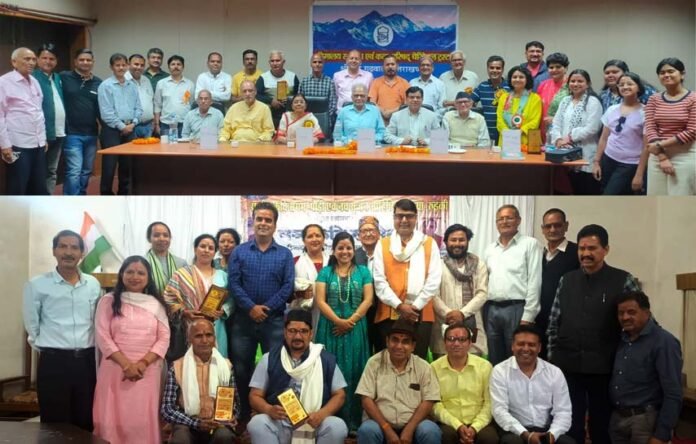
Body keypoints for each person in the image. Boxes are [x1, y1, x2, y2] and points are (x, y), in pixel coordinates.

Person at [547, 224, 641, 444]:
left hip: (605, 368)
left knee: (602, 426)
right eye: (582, 248)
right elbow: (553, 323)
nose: (586, 253)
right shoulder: (567, 280)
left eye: (592, 248)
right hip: (568, 366)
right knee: (570, 425)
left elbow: (638, 322)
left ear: (606, 249)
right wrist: (553, 359)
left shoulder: (623, 280)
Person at [22, 230, 101, 431]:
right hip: (54, 363)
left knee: (85, 420)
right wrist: (50, 348)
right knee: (54, 422)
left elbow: (96, 321)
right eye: (63, 246)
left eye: (74, 247)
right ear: (54, 251)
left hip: (86, 362)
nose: (68, 252)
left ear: (82, 253)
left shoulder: (93, 284)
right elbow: (32, 325)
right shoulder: (37, 285)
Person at [227, 201, 294, 422]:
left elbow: (288, 286)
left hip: (273, 321)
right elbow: (234, 283)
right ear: (253, 222)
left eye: (268, 220)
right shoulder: (239, 252)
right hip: (243, 321)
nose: (263, 223)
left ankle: (274, 414)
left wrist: (265, 309)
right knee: (241, 368)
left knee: (275, 368)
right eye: (259, 219)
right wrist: (251, 307)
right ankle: (243, 415)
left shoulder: (284, 254)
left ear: (275, 225)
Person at [92, 256, 170, 444]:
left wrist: (142, 364)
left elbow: (164, 337)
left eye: (141, 273)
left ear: (148, 278)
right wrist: (126, 365)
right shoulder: (108, 301)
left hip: (147, 371)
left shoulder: (156, 304)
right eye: (130, 272)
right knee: (112, 416)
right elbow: (103, 336)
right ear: (122, 275)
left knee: (142, 418)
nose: (135, 277)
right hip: (115, 367)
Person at [247, 309, 348, 443]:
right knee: (257, 423)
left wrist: (321, 414)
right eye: (292, 331)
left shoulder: (325, 360)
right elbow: (254, 395)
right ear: (285, 332)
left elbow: (340, 395)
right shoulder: (269, 358)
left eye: (303, 331)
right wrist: (269, 409)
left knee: (337, 426)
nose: (298, 336)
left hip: (313, 422)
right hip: (280, 422)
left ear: (311, 334)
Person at [314, 231, 374, 431]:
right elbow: (320, 301)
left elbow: (368, 299)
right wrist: (338, 321)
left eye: (348, 247)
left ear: (353, 250)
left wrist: (350, 321)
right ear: (333, 250)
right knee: (329, 371)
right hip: (329, 329)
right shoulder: (325, 272)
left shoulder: (363, 272)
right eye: (340, 248)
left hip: (355, 329)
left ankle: (354, 422)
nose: (345, 251)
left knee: (355, 370)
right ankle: (327, 420)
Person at [372, 198, 442, 359]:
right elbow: (379, 281)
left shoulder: (428, 243)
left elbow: (434, 280)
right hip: (389, 313)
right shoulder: (383, 245)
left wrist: (414, 307)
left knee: (417, 361)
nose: (404, 220)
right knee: (388, 361)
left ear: (416, 218)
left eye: (409, 216)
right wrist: (399, 306)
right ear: (394, 218)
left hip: (421, 314)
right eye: (399, 216)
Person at [610, 291, 683, 444]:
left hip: (645, 422)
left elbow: (673, 393)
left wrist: (661, 435)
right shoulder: (622, 340)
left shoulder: (664, 342)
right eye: (621, 313)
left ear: (647, 313)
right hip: (618, 420)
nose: (625, 317)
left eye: (631, 312)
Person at [356, 318, 442, 444]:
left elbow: (428, 400)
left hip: (415, 425)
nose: (399, 346)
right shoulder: (374, 363)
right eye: (395, 340)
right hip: (380, 424)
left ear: (413, 346)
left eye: (405, 342)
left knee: (430, 430)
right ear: (387, 342)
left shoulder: (423, 367)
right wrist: (387, 429)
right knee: (367, 430)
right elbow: (366, 399)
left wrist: (409, 429)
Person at [490, 325, 574, 444]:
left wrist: (551, 435)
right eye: (521, 344)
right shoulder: (500, 371)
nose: (526, 349)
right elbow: (499, 411)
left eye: (531, 345)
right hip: (514, 430)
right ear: (512, 346)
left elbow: (563, 411)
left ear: (539, 348)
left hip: (547, 430)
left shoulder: (554, 372)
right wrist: (526, 435)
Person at [161, 318, 240, 444]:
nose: (204, 340)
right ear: (189, 339)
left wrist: (230, 417)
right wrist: (196, 423)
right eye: (198, 336)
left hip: (216, 423)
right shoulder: (177, 366)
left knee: (224, 436)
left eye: (209, 335)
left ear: (214, 338)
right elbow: (167, 409)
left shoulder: (226, 366)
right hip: (187, 423)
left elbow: (234, 403)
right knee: (181, 438)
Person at [483, 204, 542, 366]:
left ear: (518, 220)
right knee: (495, 357)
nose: (504, 222)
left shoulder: (530, 244)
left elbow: (535, 280)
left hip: (517, 308)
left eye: (509, 218)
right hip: (492, 309)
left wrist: (529, 315)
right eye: (500, 219)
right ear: (496, 223)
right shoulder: (490, 249)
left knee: (517, 357)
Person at [164, 234, 231, 359]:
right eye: (202, 246)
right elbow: (169, 298)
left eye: (211, 248)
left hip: (217, 327)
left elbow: (232, 300)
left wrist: (223, 310)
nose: (206, 250)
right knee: (192, 365)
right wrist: (184, 312)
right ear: (195, 249)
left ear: (215, 252)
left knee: (217, 364)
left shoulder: (222, 275)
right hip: (190, 326)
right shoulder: (181, 274)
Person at [432, 322, 497, 444]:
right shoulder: (434, 368)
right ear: (444, 343)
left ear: (470, 343)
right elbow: (435, 405)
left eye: (462, 340)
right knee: (446, 436)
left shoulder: (485, 366)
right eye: (451, 339)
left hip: (479, 421)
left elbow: (489, 403)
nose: (456, 344)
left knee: (489, 438)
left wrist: (475, 427)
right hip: (448, 423)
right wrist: (457, 425)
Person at [431, 224, 488, 359]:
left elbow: (482, 293)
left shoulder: (479, 265)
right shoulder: (437, 265)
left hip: (472, 325)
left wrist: (462, 313)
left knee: (473, 366)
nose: (457, 243)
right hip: (444, 325)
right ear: (446, 242)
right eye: (453, 240)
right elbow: (433, 294)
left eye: (461, 240)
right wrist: (449, 314)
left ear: (468, 242)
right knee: (443, 367)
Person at [644, 57, 696, 196]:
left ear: (682, 74)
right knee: (656, 200)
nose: (666, 75)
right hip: (657, 155)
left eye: (671, 71)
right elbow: (650, 127)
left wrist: (660, 145)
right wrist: (661, 155)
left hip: (685, 154)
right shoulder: (654, 99)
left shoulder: (693, 99)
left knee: (680, 200)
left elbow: (692, 131)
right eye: (662, 73)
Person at [0, 47, 47, 195]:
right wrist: (5, 145)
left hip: (38, 143)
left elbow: (38, 111)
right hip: (18, 143)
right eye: (27, 59)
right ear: (14, 62)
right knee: (18, 186)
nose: (31, 62)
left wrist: (43, 138)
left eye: (33, 59)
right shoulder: (4, 82)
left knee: (38, 185)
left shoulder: (35, 81)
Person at [549, 69, 603, 195]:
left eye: (580, 81)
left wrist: (570, 137)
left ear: (587, 84)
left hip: (586, 152)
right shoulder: (565, 100)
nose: (576, 84)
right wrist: (558, 139)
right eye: (573, 81)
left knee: (585, 189)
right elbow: (556, 123)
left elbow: (593, 128)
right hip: (565, 152)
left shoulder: (592, 102)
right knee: (569, 187)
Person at [593, 72, 647, 195]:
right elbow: (604, 138)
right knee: (605, 191)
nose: (625, 87)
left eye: (630, 84)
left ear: (638, 87)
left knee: (610, 195)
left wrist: (639, 174)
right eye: (621, 84)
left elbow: (646, 147)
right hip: (608, 159)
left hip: (630, 164)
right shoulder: (612, 109)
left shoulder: (646, 113)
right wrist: (596, 162)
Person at [536, 208, 578, 359]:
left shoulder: (577, 252)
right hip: (539, 320)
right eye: (548, 226)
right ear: (543, 229)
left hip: (565, 322)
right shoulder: (538, 254)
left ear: (566, 226)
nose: (553, 229)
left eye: (557, 225)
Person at [98, 53, 143, 196]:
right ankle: (106, 194)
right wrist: (122, 127)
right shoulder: (105, 86)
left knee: (127, 165)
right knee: (109, 165)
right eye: (117, 65)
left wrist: (133, 124)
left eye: (124, 65)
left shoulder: (132, 85)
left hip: (131, 129)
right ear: (111, 67)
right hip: (112, 130)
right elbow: (106, 112)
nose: (121, 68)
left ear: (127, 66)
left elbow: (139, 108)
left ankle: (124, 193)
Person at [60, 48, 101, 195]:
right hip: (72, 133)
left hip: (91, 133)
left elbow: (100, 108)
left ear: (93, 62)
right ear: (75, 61)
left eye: (88, 60)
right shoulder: (64, 77)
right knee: (74, 170)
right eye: (82, 60)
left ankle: (81, 195)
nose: (85, 62)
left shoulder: (98, 82)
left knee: (86, 170)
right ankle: (71, 199)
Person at [33, 43, 65, 194]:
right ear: (37, 59)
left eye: (51, 58)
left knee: (52, 170)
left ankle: (48, 198)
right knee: (38, 171)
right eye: (44, 58)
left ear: (56, 61)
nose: (48, 61)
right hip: (41, 134)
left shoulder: (57, 77)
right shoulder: (33, 78)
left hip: (59, 132)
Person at [291, 224, 330, 331]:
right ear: (304, 241)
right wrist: (300, 294)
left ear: (323, 239)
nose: (314, 239)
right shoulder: (295, 262)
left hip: (332, 315)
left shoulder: (333, 261)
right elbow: (287, 292)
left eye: (318, 235)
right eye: (310, 236)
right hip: (303, 317)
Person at [496, 66, 542, 147]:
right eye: (514, 77)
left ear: (527, 80)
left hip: (525, 141)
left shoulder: (535, 98)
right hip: (505, 140)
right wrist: (508, 133)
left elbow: (535, 121)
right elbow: (499, 119)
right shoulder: (504, 97)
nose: (517, 79)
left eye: (521, 77)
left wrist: (520, 131)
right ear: (510, 79)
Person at [355, 215, 381, 353]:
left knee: (382, 347)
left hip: (383, 309)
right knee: (362, 348)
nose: (368, 234)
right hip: (360, 311)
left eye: (372, 230)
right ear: (359, 235)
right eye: (364, 231)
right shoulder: (353, 256)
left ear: (379, 233)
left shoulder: (387, 253)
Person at [154, 55, 195, 139]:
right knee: (165, 147)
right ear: (169, 67)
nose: (176, 66)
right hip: (166, 124)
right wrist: (157, 125)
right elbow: (157, 105)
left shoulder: (190, 84)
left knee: (184, 147)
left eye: (178, 64)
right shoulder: (161, 83)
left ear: (183, 67)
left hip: (184, 124)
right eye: (173, 64)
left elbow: (192, 104)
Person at [472, 55, 510, 143]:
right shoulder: (482, 86)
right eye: (492, 68)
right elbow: (469, 102)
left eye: (498, 68)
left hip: (505, 132)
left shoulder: (509, 87)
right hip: (486, 133)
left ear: (503, 70)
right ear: (487, 69)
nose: (494, 70)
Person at [256, 50, 299, 128]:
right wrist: (270, 101)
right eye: (272, 61)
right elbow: (256, 95)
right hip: (270, 115)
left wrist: (290, 100)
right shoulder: (263, 77)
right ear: (269, 63)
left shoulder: (292, 76)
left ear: (283, 62)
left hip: (290, 114)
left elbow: (298, 95)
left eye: (277, 60)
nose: (275, 63)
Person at [145, 221, 187, 294]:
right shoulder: (143, 262)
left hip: (176, 301)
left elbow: (186, 289)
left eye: (165, 235)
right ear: (149, 239)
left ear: (170, 238)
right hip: (148, 300)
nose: (162, 239)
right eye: (156, 235)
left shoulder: (181, 263)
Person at [369, 54, 410, 124]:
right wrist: (383, 112)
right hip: (379, 120)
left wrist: (390, 112)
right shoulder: (376, 82)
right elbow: (372, 103)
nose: (390, 67)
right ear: (383, 67)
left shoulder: (404, 83)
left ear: (397, 66)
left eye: (392, 64)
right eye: (387, 65)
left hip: (399, 121)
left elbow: (407, 104)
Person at [536, 53, 570, 137]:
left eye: (558, 67)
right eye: (551, 67)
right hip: (544, 131)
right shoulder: (543, 85)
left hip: (564, 132)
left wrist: (555, 120)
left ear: (566, 68)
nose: (554, 70)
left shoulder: (571, 85)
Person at [298, 53, 337, 122]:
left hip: (324, 121)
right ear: (311, 64)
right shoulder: (304, 81)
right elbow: (299, 102)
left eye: (320, 62)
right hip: (305, 120)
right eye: (314, 62)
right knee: (303, 130)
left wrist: (324, 117)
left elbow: (333, 104)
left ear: (323, 64)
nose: (317, 64)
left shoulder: (330, 82)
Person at [126, 53, 156, 138]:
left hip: (148, 125)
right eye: (136, 64)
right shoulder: (123, 81)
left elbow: (152, 101)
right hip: (131, 127)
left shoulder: (146, 80)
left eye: (142, 65)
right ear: (128, 65)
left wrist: (154, 121)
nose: (139, 67)